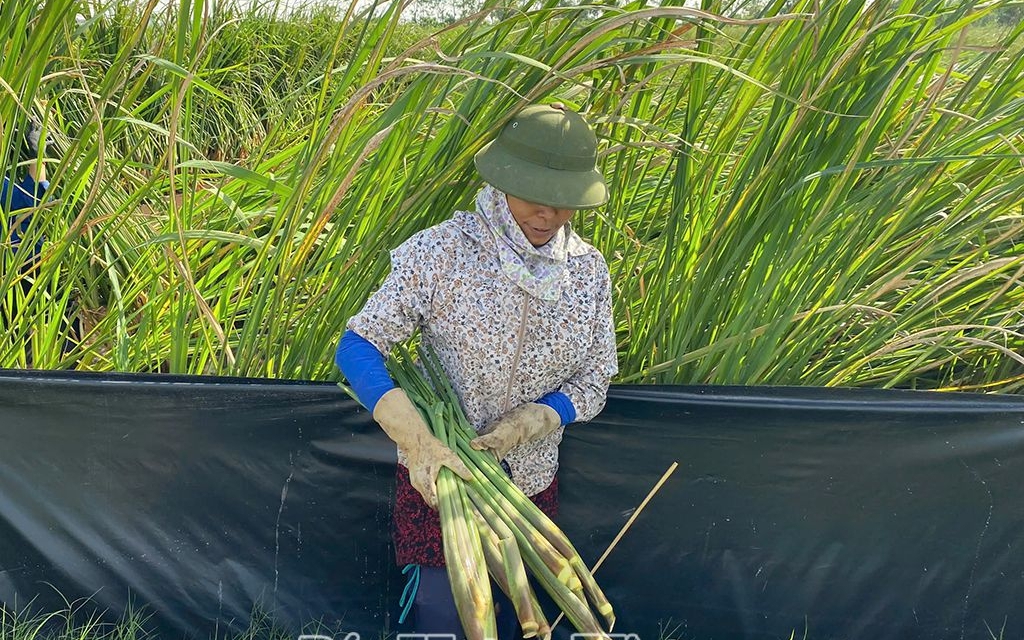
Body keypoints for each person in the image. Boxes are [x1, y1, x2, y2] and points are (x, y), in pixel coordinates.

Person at [335, 102, 618, 638]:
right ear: (506, 179)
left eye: (564, 204)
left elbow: (594, 377)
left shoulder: (587, 272)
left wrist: (533, 420)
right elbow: (357, 346)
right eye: (536, 197)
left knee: (514, 619)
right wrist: (418, 440)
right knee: (444, 615)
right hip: (442, 477)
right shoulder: (442, 250)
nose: (550, 215)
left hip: (527, 485)